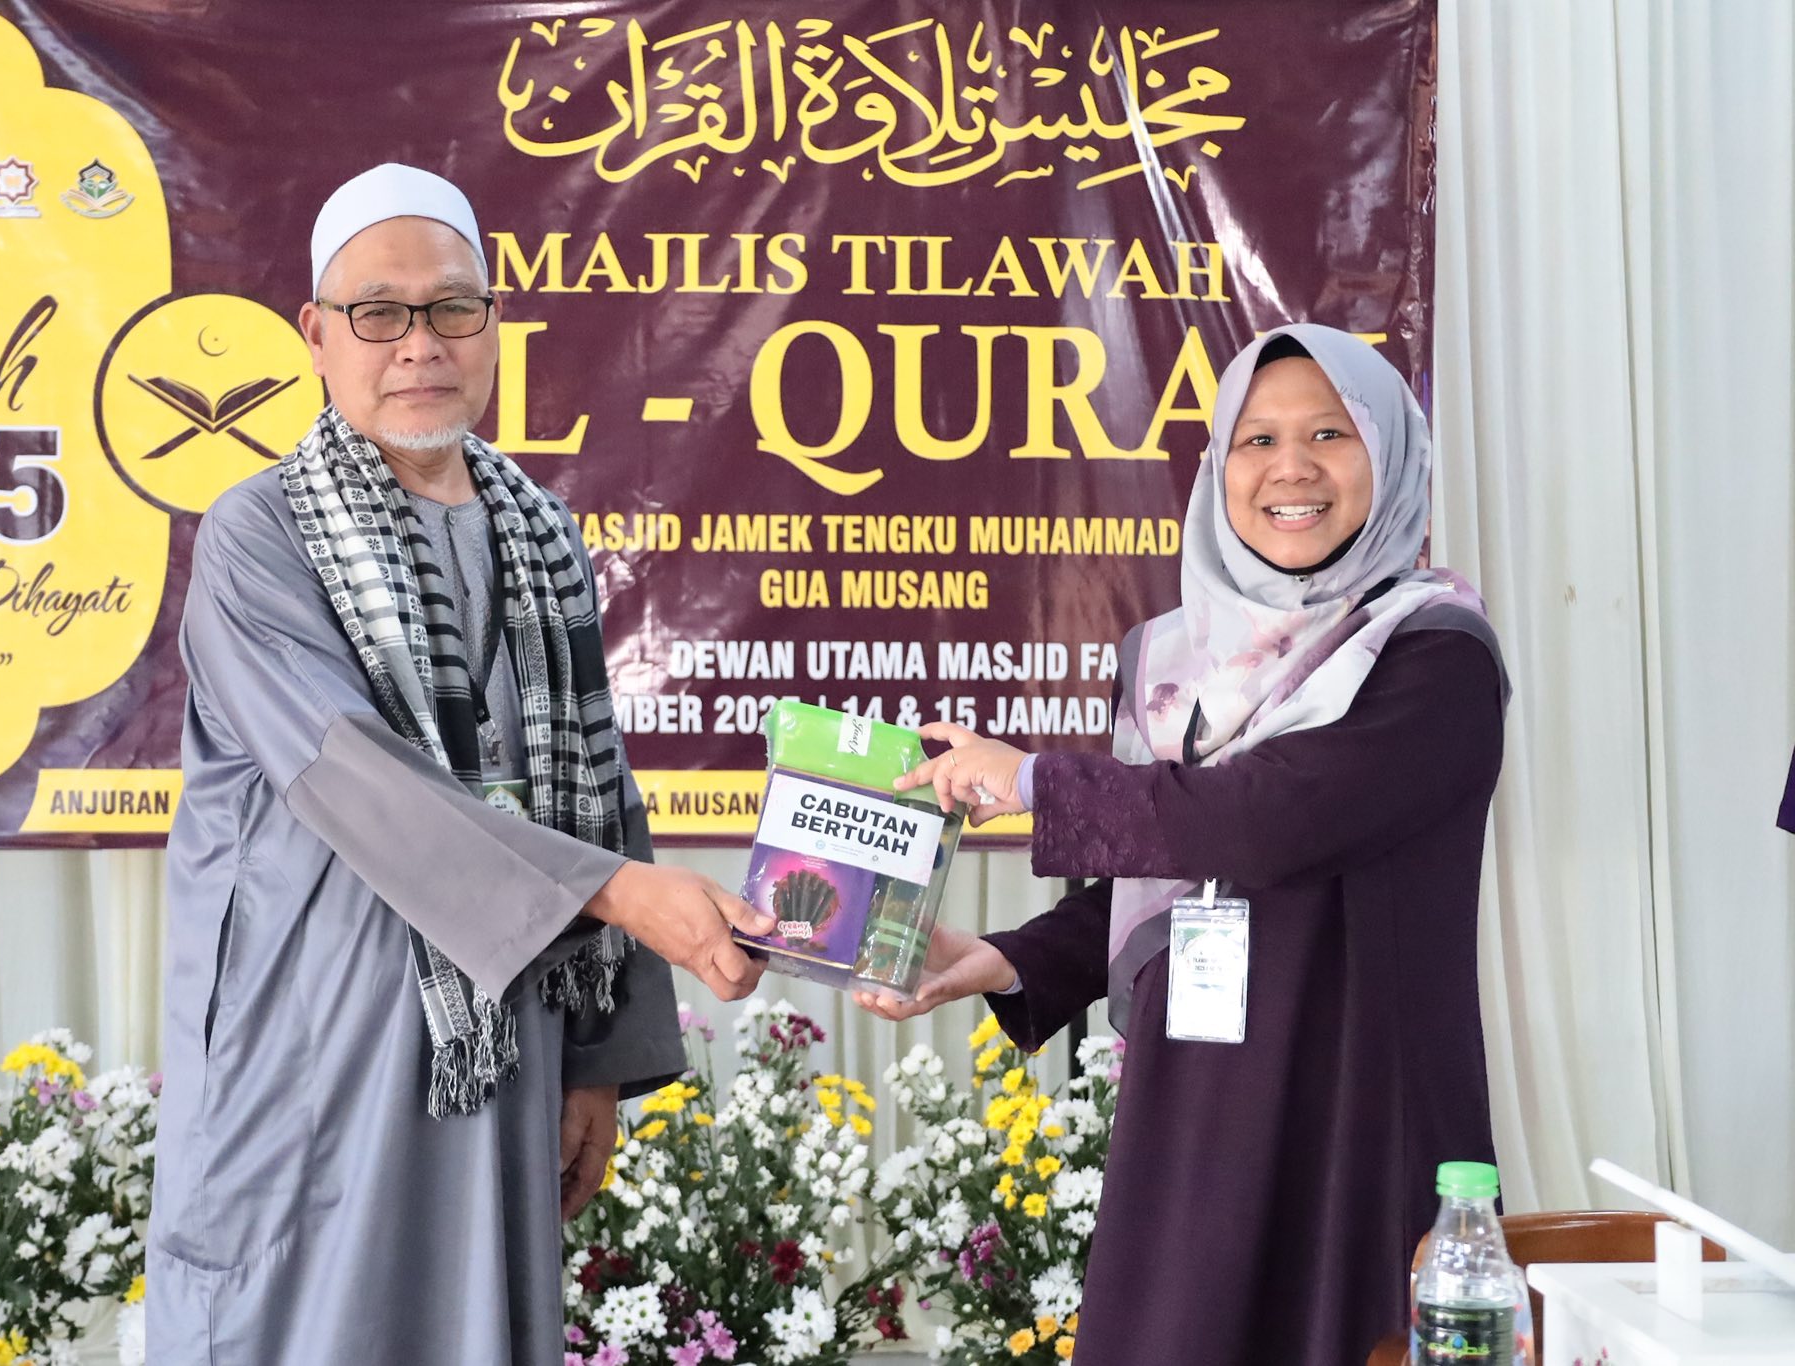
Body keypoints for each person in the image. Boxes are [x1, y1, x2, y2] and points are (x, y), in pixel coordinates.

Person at [147, 164, 772, 1364]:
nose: (418, 344)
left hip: (507, 1038)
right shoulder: (259, 534)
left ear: (491, 326)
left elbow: (598, 788)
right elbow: (353, 776)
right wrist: (617, 895)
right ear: (316, 335)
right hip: (312, 1049)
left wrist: (597, 1062)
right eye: (378, 312)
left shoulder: (538, 536)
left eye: (450, 307)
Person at [857, 324, 1511, 1365]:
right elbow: (1156, 879)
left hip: (1353, 1114)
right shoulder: (1169, 665)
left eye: (1329, 434)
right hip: (1193, 1119)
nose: (1290, 468)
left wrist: (1029, 781)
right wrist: (1002, 959)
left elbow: (1265, 820)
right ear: (1217, 466)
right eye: (1257, 440)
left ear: (1388, 456)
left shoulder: (1434, 652)